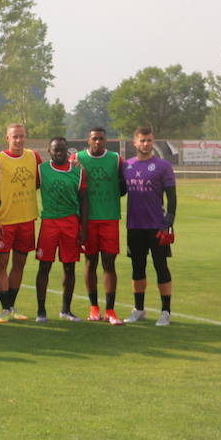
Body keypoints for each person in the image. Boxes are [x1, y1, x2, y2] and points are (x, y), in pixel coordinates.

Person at [0, 123, 42, 321]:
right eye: (14, 137)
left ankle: (11, 306)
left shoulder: (34, 157)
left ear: (26, 137)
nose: (18, 140)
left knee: (20, 263)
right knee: (1, 263)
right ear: (7, 138)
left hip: (27, 219)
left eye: (21, 136)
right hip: (5, 222)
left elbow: (40, 182)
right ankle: (5, 309)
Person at [123, 127, 177, 325]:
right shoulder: (126, 166)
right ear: (134, 143)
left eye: (149, 140)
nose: (146, 144)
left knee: (161, 266)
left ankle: (166, 311)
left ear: (152, 142)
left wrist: (168, 225)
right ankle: (139, 309)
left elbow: (172, 198)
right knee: (137, 268)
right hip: (134, 227)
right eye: (142, 141)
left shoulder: (163, 166)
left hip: (157, 227)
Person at [34, 137, 89, 324]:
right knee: (44, 266)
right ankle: (41, 311)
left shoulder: (78, 171)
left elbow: (84, 201)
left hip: (71, 223)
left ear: (68, 151)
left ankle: (66, 310)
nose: (59, 154)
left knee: (69, 267)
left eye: (62, 150)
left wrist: (84, 228)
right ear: (49, 151)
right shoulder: (41, 170)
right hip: (49, 222)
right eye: (55, 150)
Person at [77, 127, 127, 322]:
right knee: (90, 262)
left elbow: (124, 187)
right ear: (88, 140)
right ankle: (94, 308)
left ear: (107, 140)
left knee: (109, 263)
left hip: (109, 218)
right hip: (88, 221)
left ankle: (110, 310)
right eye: (94, 139)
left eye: (101, 139)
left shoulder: (116, 160)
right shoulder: (79, 159)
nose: (98, 142)